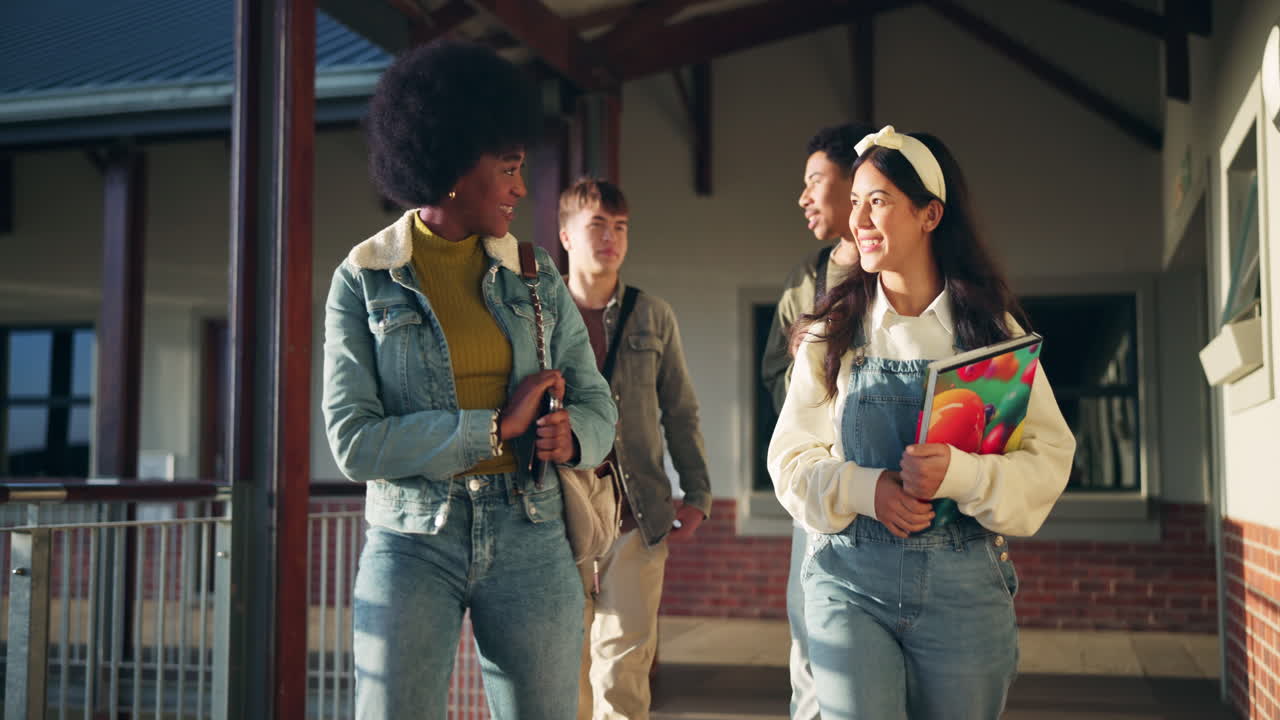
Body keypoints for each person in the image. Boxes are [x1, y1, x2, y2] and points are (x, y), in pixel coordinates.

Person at [322, 41, 617, 720]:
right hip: (410, 541)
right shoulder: (364, 280)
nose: (521, 187)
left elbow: (597, 398)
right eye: (508, 170)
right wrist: (495, 427)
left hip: (532, 530)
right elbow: (354, 442)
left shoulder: (536, 273)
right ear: (455, 167)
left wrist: (575, 436)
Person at [767, 126, 1076, 720]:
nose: (858, 218)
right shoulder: (832, 332)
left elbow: (1048, 458)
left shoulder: (990, 335)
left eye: (877, 201)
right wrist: (866, 489)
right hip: (847, 578)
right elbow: (789, 459)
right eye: (854, 201)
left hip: (965, 587)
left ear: (930, 214)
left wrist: (961, 474)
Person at [557, 178, 712, 720]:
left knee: (623, 671)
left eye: (620, 228)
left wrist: (698, 491)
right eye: (597, 225)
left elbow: (681, 409)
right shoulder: (540, 317)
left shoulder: (653, 314)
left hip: (637, 514)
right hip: (558, 518)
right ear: (566, 236)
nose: (611, 239)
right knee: (562, 673)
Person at [759, 122, 871, 720]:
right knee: (810, 637)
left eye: (814, 182)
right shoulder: (803, 282)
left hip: (895, 486)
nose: (803, 198)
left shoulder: (901, 271)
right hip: (820, 485)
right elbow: (774, 378)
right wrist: (809, 369)